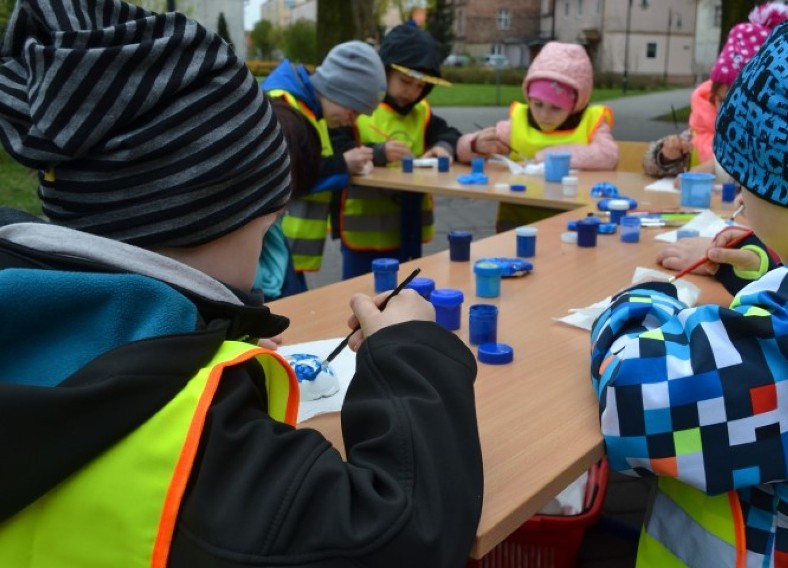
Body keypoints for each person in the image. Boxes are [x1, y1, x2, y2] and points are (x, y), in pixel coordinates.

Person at [0, 2, 484, 567]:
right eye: (266, 226)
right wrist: (413, 353)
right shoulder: (196, 439)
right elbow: (404, 533)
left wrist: (196, 339)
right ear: (201, 218)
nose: (261, 261)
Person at [590, 10, 788, 567]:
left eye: (743, 184)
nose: (736, 203)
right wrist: (771, 263)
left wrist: (642, 302)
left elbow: (636, 401)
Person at [339, 24, 464, 278]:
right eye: (405, 81)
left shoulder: (422, 112)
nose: (412, 92)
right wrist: (379, 152)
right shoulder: (360, 108)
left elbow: (449, 133)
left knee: (406, 297)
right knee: (359, 298)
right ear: (384, 71)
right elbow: (340, 147)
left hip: (409, 229)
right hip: (365, 233)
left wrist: (443, 147)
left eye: (420, 86)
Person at [458, 41, 618, 232]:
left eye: (556, 108)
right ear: (528, 97)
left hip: (572, 222)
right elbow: (463, 152)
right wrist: (475, 145)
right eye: (537, 104)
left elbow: (609, 155)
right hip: (517, 221)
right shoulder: (519, 122)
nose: (544, 115)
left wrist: (547, 157)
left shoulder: (590, 122)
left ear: (576, 103)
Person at [261, 41, 385, 283]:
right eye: (354, 111)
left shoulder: (311, 109)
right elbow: (289, 174)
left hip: (282, 246)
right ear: (338, 91)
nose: (352, 121)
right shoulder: (285, 106)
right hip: (273, 246)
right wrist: (342, 165)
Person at [642, 1, 788, 179]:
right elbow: (650, 165)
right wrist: (666, 155)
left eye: (738, 103)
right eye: (721, 101)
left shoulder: (778, 139)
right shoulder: (704, 127)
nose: (726, 110)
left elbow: (773, 172)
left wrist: (717, 167)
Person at [253, 99, 323, 300]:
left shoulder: (272, 233)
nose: (284, 209)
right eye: (280, 194)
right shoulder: (216, 257)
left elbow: (297, 300)